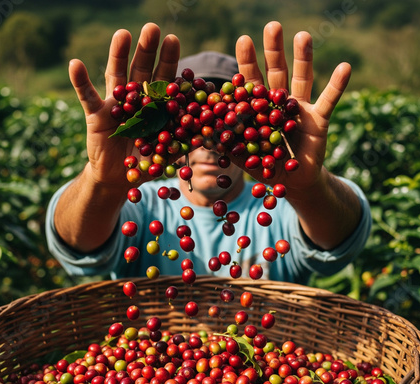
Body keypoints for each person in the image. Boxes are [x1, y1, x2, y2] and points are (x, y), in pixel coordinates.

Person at [45, 21, 371, 285]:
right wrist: (104, 185)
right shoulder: (143, 205)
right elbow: (79, 249)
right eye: (191, 126)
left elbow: (339, 243)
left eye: (226, 124)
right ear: (166, 128)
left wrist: (309, 189)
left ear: (251, 129)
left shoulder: (278, 207)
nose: (208, 141)